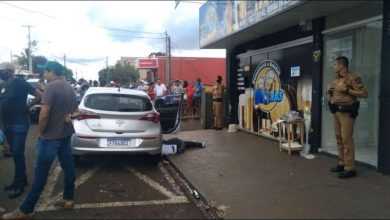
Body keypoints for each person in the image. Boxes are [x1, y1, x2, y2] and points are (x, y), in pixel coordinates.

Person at [3, 60, 79, 219]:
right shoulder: (69, 87)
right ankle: (68, 199)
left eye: (46, 71)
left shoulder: (51, 87)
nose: (44, 74)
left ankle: (26, 209)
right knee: (68, 166)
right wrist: (69, 116)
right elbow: (76, 111)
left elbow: (44, 114)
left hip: (50, 137)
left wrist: (42, 132)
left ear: (52, 72)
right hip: (65, 135)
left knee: (41, 174)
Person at [0, 62, 42, 199]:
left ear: (10, 71)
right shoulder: (3, 85)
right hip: (7, 124)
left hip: (19, 124)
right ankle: (21, 179)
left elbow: (39, 95)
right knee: (15, 152)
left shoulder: (21, 83)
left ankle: (19, 184)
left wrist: (28, 106)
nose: (1, 73)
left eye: (3, 71)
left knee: (18, 152)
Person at [327, 56, 368, 179]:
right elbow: (335, 94)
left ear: (341, 65)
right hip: (336, 113)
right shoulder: (336, 79)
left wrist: (348, 90)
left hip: (347, 113)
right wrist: (330, 92)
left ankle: (350, 168)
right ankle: (342, 163)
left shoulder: (353, 78)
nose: (333, 67)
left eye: (335, 64)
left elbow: (364, 93)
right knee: (339, 138)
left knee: (346, 140)